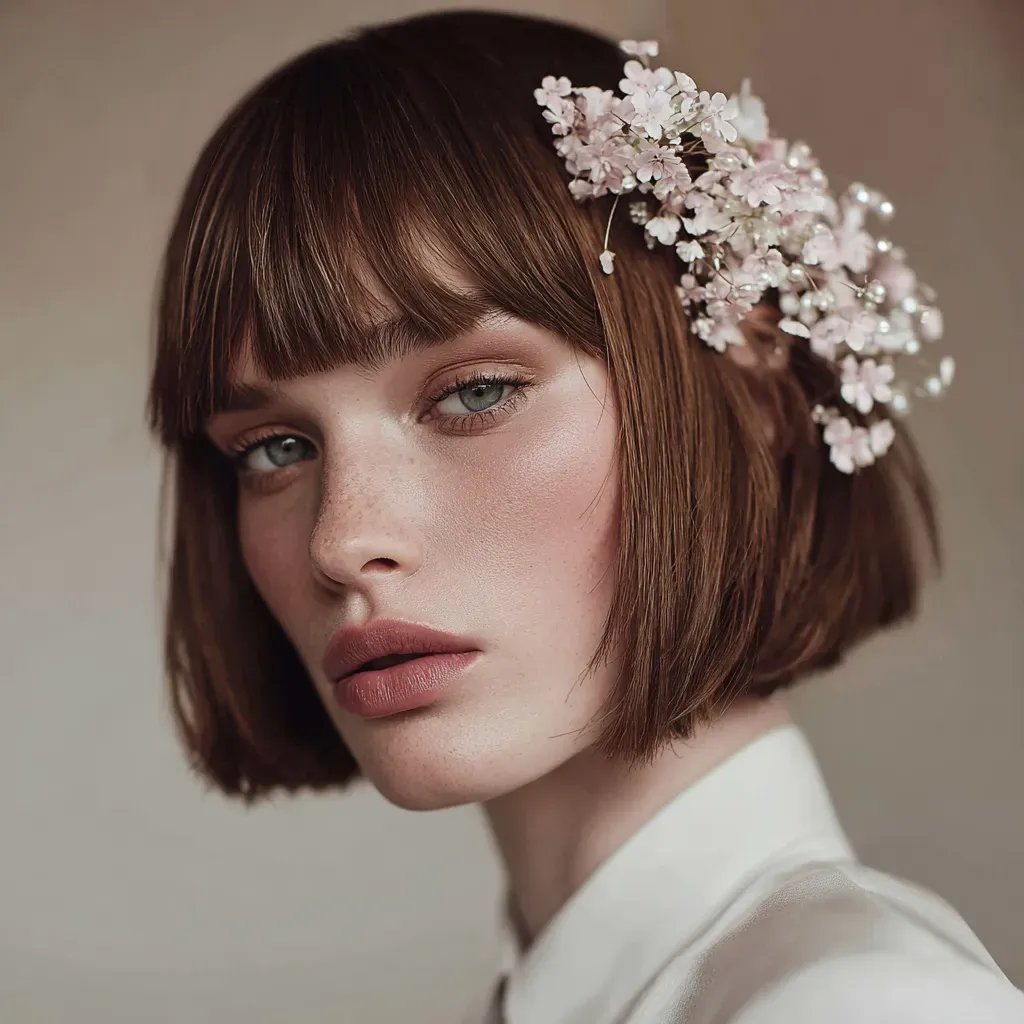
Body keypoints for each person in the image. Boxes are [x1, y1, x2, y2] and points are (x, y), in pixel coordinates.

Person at [146, 9, 1024, 1023]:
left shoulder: (856, 1004)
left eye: (475, 393)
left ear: (751, 386)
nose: (339, 543)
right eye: (275, 449)